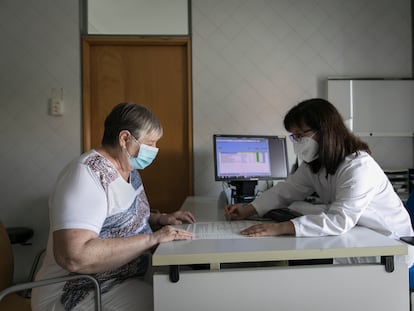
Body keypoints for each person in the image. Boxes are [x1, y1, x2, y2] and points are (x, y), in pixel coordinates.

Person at [31, 103, 195, 311]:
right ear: (125, 139)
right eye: (150, 143)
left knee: (191, 287)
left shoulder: (129, 170)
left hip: (124, 276)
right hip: (81, 291)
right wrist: (152, 239)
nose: (154, 150)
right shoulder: (86, 175)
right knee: (176, 304)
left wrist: (159, 219)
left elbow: (119, 215)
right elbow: (74, 256)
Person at [225, 98, 414, 264]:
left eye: (300, 135)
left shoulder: (359, 167)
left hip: (390, 245)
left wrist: (279, 228)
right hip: (356, 235)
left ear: (325, 131)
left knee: (306, 260)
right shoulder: (314, 165)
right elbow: (286, 190)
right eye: (294, 136)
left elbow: (339, 220)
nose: (297, 141)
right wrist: (246, 210)